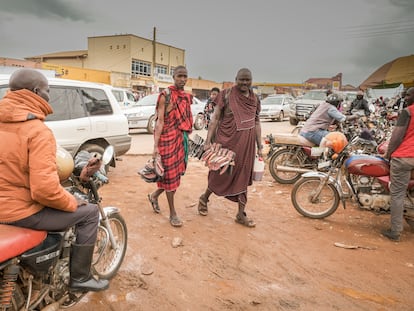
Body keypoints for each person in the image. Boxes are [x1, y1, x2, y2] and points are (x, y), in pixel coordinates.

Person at [0, 68, 108, 292]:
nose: (49, 96)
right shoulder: (37, 131)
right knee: (88, 213)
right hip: (19, 212)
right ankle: (80, 277)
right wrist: (71, 202)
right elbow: (44, 191)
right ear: (37, 92)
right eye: (48, 91)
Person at [197, 68, 262, 227]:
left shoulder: (255, 99)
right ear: (236, 79)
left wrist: (259, 146)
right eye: (242, 80)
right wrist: (207, 141)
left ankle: (240, 214)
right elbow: (215, 118)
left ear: (251, 80)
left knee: (243, 176)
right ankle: (204, 198)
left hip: (246, 147)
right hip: (226, 143)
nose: (245, 83)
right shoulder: (226, 95)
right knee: (219, 173)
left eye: (248, 80)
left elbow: (257, 122)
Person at [147, 65, 193, 227]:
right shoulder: (165, 95)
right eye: (179, 76)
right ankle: (173, 213)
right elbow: (159, 122)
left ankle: (154, 196)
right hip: (167, 141)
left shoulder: (186, 97)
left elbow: (187, 119)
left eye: (185, 76)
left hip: (180, 141)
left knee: (173, 176)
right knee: (170, 177)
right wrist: (155, 146)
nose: (182, 79)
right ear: (173, 77)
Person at [382, 87, 414, 241]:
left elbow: (396, 137)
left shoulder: (408, 111)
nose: (405, 97)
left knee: (397, 194)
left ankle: (395, 231)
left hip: (405, 156)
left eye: (408, 95)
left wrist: (388, 154)